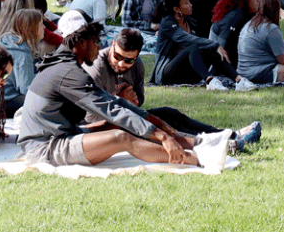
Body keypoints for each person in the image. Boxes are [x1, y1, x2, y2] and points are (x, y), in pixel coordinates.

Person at [19, 20, 218, 169]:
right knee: (121, 137)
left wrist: (153, 120)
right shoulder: (70, 73)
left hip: (61, 134)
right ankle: (196, 159)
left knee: (130, 124)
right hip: (45, 147)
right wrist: (162, 137)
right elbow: (110, 109)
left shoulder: (66, 66)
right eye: (96, 42)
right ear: (80, 43)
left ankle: (203, 143)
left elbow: (112, 102)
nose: (99, 48)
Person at [88, 29, 262, 149]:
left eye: (128, 60)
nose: (121, 63)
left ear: (137, 56)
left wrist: (132, 102)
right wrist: (122, 101)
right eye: (117, 56)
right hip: (102, 128)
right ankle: (219, 143)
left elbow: (139, 102)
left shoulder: (138, 66)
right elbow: (91, 117)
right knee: (164, 129)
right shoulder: (97, 68)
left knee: (169, 114)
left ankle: (228, 135)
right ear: (112, 45)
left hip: (126, 117)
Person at [152, 0, 237, 85]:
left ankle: (239, 80)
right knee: (193, 47)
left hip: (187, 72)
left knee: (210, 50)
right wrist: (214, 44)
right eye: (186, 3)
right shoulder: (167, 23)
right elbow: (188, 39)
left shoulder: (188, 21)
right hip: (166, 73)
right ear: (176, 9)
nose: (190, 5)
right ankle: (210, 81)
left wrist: (213, 47)